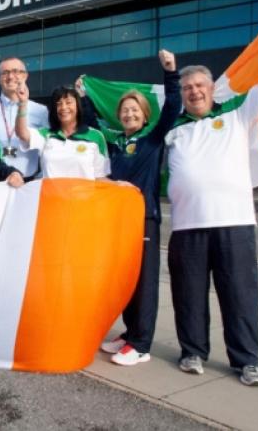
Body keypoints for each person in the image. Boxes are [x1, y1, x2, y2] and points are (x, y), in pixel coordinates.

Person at [165, 18, 258, 386]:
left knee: (239, 295)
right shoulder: (172, 128)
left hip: (234, 223)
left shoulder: (237, 113)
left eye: (200, 85)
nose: (194, 91)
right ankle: (192, 351)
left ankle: (246, 361)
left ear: (211, 89)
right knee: (188, 297)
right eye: (188, 87)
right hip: (187, 227)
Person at [88, 50, 181, 366]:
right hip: (119, 223)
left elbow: (172, 108)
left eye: (134, 110)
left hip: (145, 220)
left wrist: (170, 72)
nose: (128, 114)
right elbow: (89, 126)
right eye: (124, 110)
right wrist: (82, 95)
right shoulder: (114, 145)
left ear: (144, 114)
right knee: (125, 278)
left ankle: (141, 344)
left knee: (144, 281)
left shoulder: (152, 139)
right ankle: (129, 333)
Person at [14, 84, 109, 180]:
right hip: (50, 195)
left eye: (68, 102)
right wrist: (22, 103)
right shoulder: (46, 135)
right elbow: (22, 133)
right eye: (59, 104)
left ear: (78, 106)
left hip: (83, 195)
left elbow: (100, 177)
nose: (63, 107)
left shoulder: (96, 136)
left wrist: (119, 185)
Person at [0, 57, 49, 179]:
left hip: (29, 182)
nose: (10, 77)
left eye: (16, 71)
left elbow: (49, 148)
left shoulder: (41, 111)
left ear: (25, 76)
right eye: (5, 73)